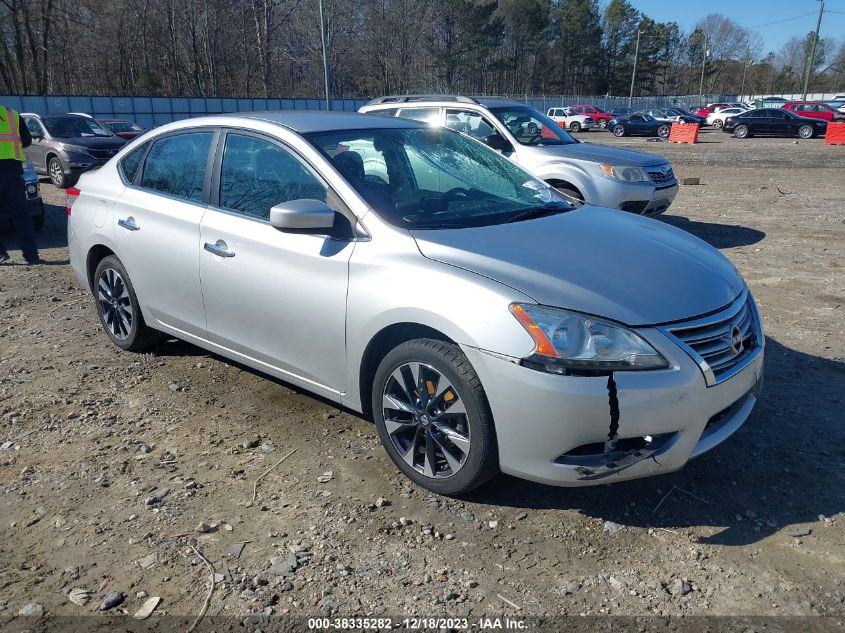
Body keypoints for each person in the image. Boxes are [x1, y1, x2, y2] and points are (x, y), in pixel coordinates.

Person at [0, 104, 40, 265]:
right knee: (21, 215)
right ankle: (31, 255)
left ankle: (1, 254)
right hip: (12, 171)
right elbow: (27, 141)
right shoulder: (12, 114)